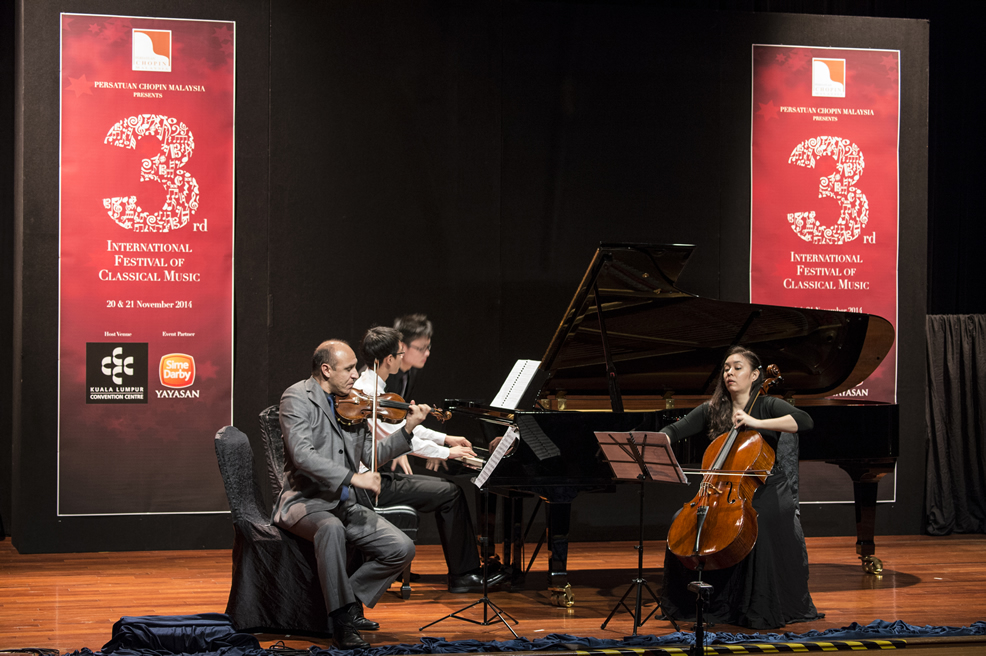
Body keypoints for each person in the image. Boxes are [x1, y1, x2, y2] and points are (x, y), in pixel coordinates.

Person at [272, 339, 431, 649]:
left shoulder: (352, 404)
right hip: (305, 501)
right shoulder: (297, 397)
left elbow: (372, 454)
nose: (356, 375)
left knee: (401, 548)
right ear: (326, 369)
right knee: (330, 528)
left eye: (356, 368)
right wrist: (353, 477)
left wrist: (408, 429)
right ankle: (342, 622)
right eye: (349, 369)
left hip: (343, 504)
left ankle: (347, 604)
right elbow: (302, 455)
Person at [658, 345, 823, 630]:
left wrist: (755, 422)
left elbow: (805, 421)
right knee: (680, 522)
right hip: (722, 489)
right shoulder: (712, 409)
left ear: (755, 375)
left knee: (756, 523)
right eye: (726, 369)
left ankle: (753, 607)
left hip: (766, 486)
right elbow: (674, 430)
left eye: (737, 367)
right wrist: (659, 440)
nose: (729, 373)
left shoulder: (766, 405)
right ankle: (691, 604)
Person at [355, 326, 507, 593]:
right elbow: (404, 440)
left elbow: (407, 427)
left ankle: (467, 570)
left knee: (449, 491)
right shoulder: (369, 394)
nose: (402, 358)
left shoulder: (374, 388)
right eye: (400, 354)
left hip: (374, 477)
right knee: (451, 493)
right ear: (389, 359)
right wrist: (449, 453)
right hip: (369, 486)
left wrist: (446, 439)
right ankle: (463, 575)